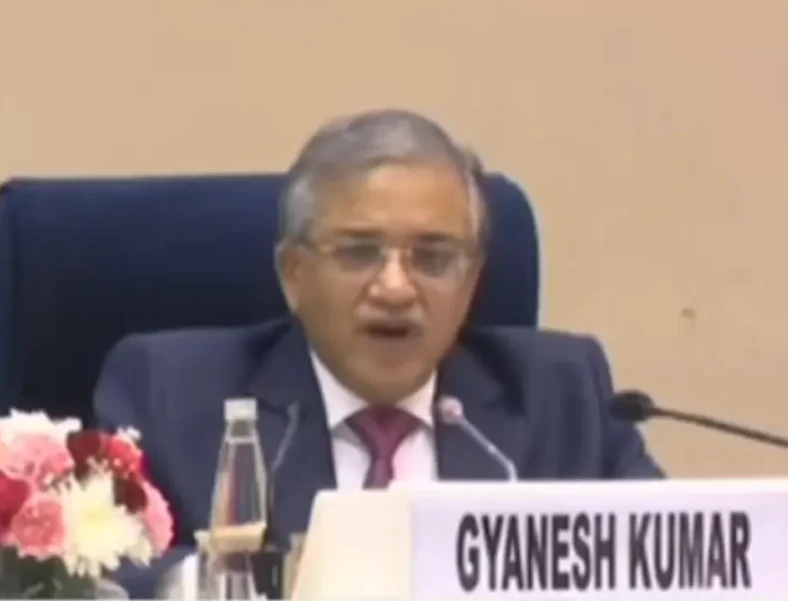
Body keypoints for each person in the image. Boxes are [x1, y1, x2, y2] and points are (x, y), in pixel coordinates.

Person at [93, 108, 663, 598]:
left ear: (472, 281)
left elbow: (666, 563)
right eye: (360, 253)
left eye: (433, 258)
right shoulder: (171, 393)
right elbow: (100, 579)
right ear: (293, 273)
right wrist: (257, 582)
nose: (395, 288)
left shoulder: (562, 395)